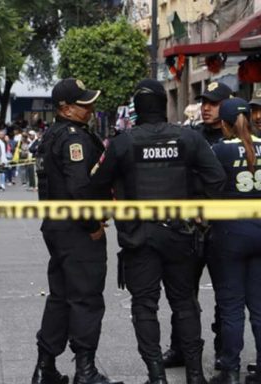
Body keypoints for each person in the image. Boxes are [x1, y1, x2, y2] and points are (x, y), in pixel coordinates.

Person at [92, 79, 226, 384]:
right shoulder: (188, 139)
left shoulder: (123, 143)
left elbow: (98, 184)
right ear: (164, 106)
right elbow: (216, 178)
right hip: (181, 233)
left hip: (139, 237)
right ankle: (195, 375)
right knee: (185, 302)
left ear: (137, 109)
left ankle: (157, 375)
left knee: (145, 305)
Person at [32, 78, 121, 384]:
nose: (90, 108)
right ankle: (85, 370)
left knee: (61, 297)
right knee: (85, 298)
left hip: (56, 228)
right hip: (76, 231)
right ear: (65, 109)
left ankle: (46, 367)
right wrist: (93, 224)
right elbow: (79, 189)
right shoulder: (74, 139)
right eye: (83, 105)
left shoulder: (53, 134)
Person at [163, 81, 233, 370]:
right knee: (183, 292)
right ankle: (180, 347)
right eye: (204, 102)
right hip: (191, 226)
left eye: (213, 103)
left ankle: (223, 349)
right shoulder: (191, 136)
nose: (206, 108)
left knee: (225, 295)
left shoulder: (240, 139)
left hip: (223, 227)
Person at [207, 98, 261, 384]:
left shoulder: (218, 150)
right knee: (259, 306)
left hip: (230, 234)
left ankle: (229, 369)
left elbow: (207, 189)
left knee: (230, 305)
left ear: (225, 124)